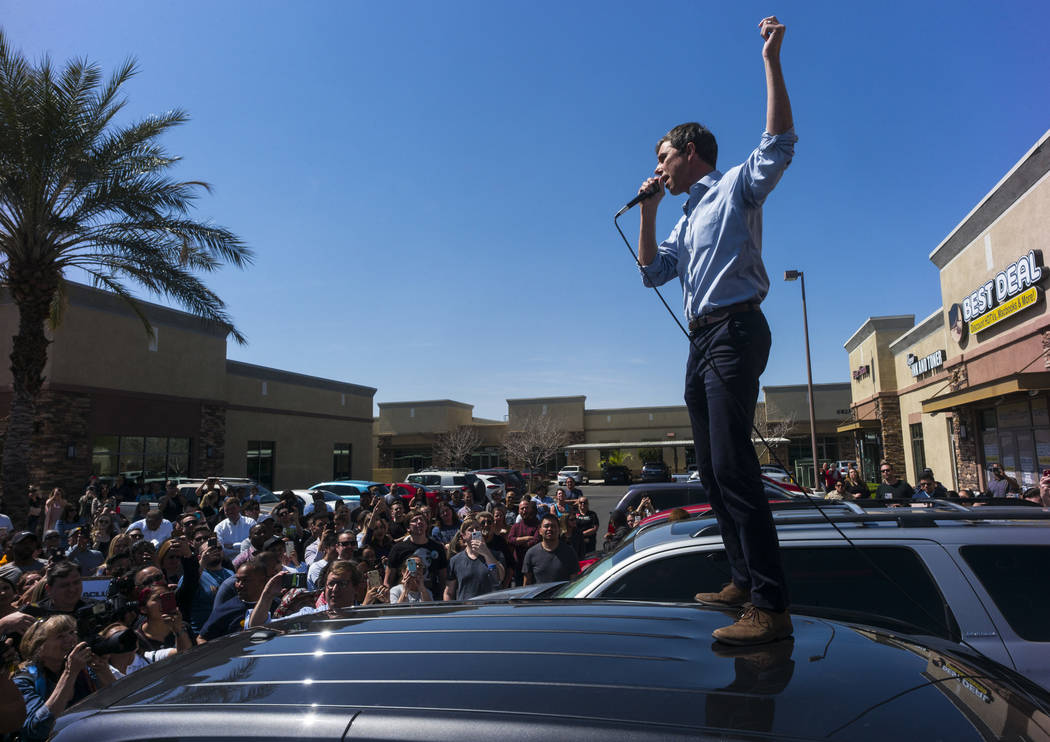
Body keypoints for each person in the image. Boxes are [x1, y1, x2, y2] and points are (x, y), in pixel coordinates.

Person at [635, 16, 794, 646]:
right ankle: (740, 580)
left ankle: (771, 605)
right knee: (709, 468)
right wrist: (649, 209)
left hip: (735, 330)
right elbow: (653, 273)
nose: (660, 167)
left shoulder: (731, 189)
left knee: (734, 466)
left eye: (664, 157)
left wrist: (770, 60)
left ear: (692, 152)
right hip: (701, 339)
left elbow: (779, 143)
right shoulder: (679, 216)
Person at [12, 614, 115, 741]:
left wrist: (103, 670)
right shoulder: (23, 681)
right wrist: (69, 674)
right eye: (60, 636)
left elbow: (120, 702)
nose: (70, 639)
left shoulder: (83, 671)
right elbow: (37, 730)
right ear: (39, 647)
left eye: (72, 632)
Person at [386, 511, 449, 599]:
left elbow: (443, 579)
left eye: (422, 519)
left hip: (432, 598)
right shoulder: (398, 549)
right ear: (408, 528)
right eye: (415, 520)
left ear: (426, 525)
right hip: (405, 598)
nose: (419, 522)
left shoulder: (438, 547)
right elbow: (388, 581)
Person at [444, 522, 505, 601]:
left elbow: (499, 578)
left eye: (477, 529)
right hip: (467, 610)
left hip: (490, 609)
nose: (475, 531)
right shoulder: (455, 561)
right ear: (463, 536)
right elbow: (449, 592)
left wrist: (486, 553)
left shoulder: (496, 554)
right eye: (470, 530)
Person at [522, 514, 579, 585]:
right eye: (546, 526)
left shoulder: (569, 552)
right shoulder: (531, 553)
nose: (549, 529)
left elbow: (574, 583)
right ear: (540, 531)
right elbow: (527, 583)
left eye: (553, 526)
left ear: (559, 530)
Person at [213, 497, 256, 562]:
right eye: (227, 510)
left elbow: (254, 544)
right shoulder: (219, 527)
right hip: (228, 563)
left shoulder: (251, 523)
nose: (230, 512)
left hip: (249, 561)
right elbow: (221, 550)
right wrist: (244, 545)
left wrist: (232, 546)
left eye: (233, 509)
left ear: (239, 508)